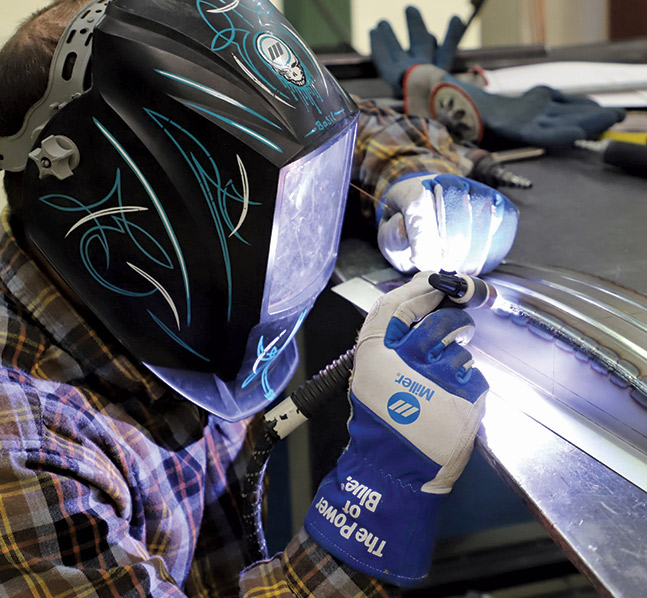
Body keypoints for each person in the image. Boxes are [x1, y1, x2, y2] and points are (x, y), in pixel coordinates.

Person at [0, 0, 517, 595]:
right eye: (249, 207)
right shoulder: (26, 447)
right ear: (92, 188)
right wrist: (370, 514)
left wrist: (414, 182)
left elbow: (347, 124)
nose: (294, 245)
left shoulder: (150, 311)